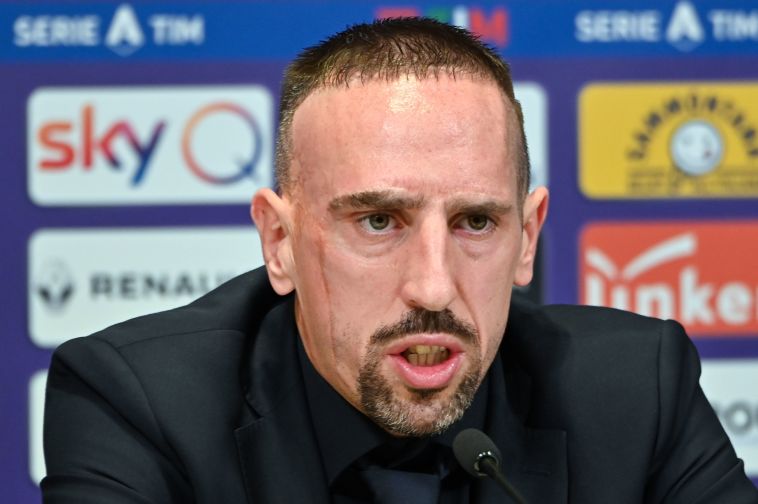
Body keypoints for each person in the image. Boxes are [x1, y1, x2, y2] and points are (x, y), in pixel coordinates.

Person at [42, 17, 758, 504]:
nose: (433, 287)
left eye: (476, 222)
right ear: (279, 242)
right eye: (379, 222)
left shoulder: (637, 392)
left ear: (528, 238)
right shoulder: (140, 405)